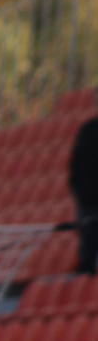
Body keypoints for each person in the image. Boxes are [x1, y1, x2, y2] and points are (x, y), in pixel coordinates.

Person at [69, 114, 98, 275]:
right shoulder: (88, 130)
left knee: (88, 251)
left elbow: (75, 169)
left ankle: (87, 271)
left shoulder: (87, 130)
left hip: (86, 202)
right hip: (88, 201)